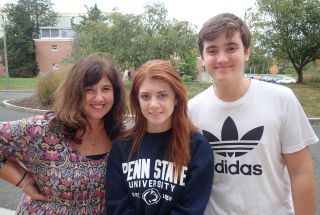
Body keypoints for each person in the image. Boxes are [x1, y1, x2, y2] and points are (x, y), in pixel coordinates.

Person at [188, 13, 319, 215]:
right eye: (212, 50)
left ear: (247, 52)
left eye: (231, 48)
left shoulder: (281, 99)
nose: (222, 58)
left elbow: (301, 173)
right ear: (203, 58)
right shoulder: (192, 110)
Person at [0, 55, 127, 214]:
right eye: (89, 90)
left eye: (106, 89)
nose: (99, 97)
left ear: (116, 93)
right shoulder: (44, 130)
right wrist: (23, 181)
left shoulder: (121, 138)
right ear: (75, 92)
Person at [106, 60, 214, 215]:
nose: (153, 104)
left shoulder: (197, 147)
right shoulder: (122, 146)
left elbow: (191, 208)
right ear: (137, 100)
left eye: (162, 95)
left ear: (176, 98)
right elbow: (117, 205)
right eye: (145, 96)